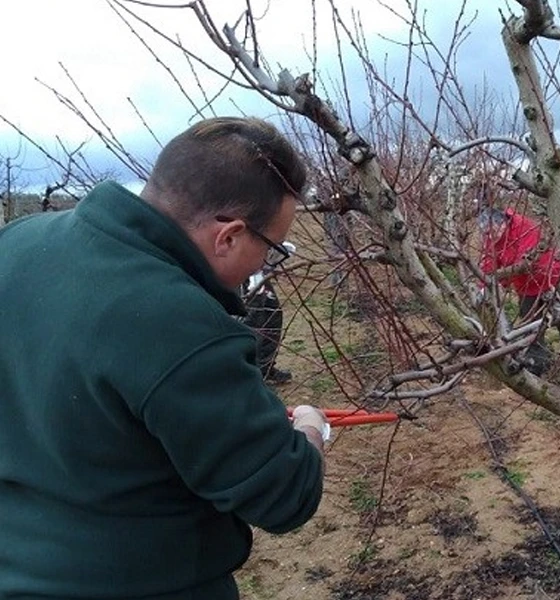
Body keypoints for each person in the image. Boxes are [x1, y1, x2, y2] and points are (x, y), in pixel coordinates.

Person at [0, 117, 330, 600]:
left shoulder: (18, 242)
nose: (267, 264)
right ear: (230, 236)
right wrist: (310, 429)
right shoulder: (182, 325)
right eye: (272, 248)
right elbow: (284, 494)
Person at [478, 206, 560, 388]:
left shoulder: (524, 226)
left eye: (494, 231)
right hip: (525, 288)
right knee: (533, 329)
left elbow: (528, 265)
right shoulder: (490, 238)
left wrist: (501, 275)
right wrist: (483, 284)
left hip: (550, 280)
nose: (492, 237)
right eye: (487, 234)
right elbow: (487, 263)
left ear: (503, 223)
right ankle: (539, 364)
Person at [241, 245, 295, 385]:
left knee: (272, 314)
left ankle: (265, 367)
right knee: (254, 320)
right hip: (245, 271)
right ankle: (249, 373)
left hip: (258, 270)